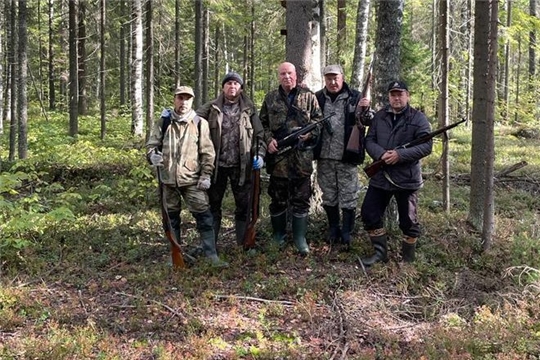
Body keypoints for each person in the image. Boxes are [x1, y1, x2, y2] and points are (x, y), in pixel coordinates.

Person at [146, 86, 227, 267]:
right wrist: (152, 155)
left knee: (204, 216)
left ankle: (211, 255)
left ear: (192, 101)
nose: (183, 102)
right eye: (180, 98)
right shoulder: (164, 122)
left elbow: (208, 152)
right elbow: (152, 144)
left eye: (187, 99)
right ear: (174, 99)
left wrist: (206, 175)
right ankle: (175, 254)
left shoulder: (199, 123)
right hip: (167, 180)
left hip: (192, 180)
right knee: (171, 218)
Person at [360, 80, 432, 266]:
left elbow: (426, 146)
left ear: (407, 95)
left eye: (400, 94)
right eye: (393, 94)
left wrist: (400, 155)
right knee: (369, 213)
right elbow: (369, 140)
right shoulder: (380, 116)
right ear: (389, 96)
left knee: (409, 221)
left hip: (406, 178)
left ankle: (408, 260)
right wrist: (381, 154)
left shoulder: (418, 118)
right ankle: (380, 254)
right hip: (381, 175)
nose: (396, 97)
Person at [196, 71, 266, 248]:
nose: (232, 86)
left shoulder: (249, 110)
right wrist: (171, 117)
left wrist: (260, 155)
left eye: (236, 84)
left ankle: (244, 243)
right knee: (213, 206)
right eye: (229, 83)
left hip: (241, 167)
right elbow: (191, 120)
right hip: (216, 166)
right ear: (222, 87)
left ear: (241, 88)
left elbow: (260, 136)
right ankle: (210, 245)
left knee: (244, 206)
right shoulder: (211, 108)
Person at [260, 62, 323, 255]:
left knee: (301, 199)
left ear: (296, 75)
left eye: (289, 73)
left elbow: (319, 121)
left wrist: (310, 135)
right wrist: (269, 140)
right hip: (278, 160)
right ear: (278, 76)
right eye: (283, 74)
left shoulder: (308, 96)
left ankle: (299, 238)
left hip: (301, 158)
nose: (286, 77)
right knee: (277, 198)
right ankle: (278, 235)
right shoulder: (270, 98)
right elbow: (262, 124)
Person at [314, 64, 373, 250]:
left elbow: (368, 120)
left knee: (349, 196)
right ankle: (333, 228)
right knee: (329, 195)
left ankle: (347, 231)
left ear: (342, 77)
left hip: (347, 156)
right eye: (329, 78)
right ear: (325, 79)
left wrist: (367, 109)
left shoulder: (355, 97)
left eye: (336, 78)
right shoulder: (317, 98)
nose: (332, 82)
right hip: (324, 157)